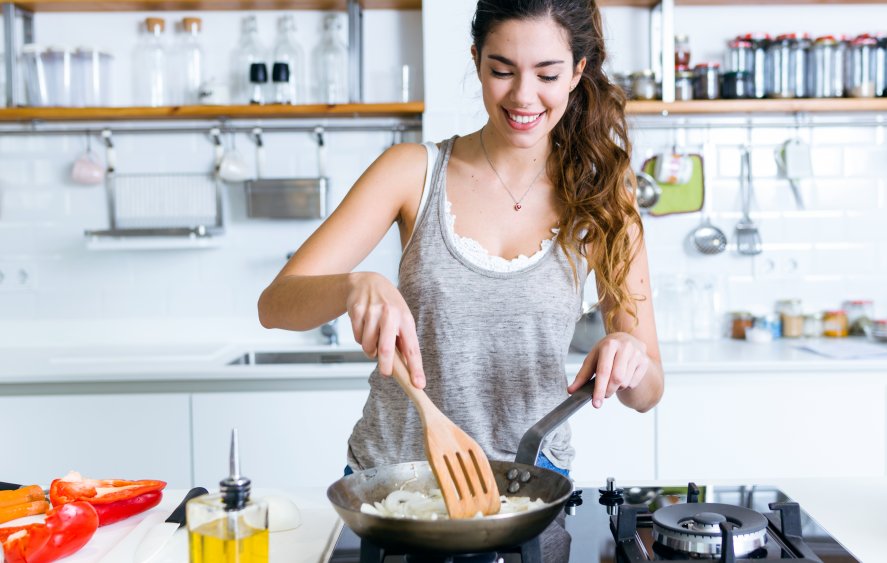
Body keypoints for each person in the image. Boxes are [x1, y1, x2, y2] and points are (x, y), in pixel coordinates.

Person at [258, 0, 663, 477]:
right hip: (395, 478)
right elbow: (275, 306)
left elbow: (648, 391)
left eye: (547, 76)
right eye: (502, 70)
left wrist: (629, 356)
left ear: (577, 72)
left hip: (531, 481)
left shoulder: (602, 196)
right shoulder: (411, 171)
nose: (523, 96)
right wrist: (352, 286)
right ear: (476, 61)